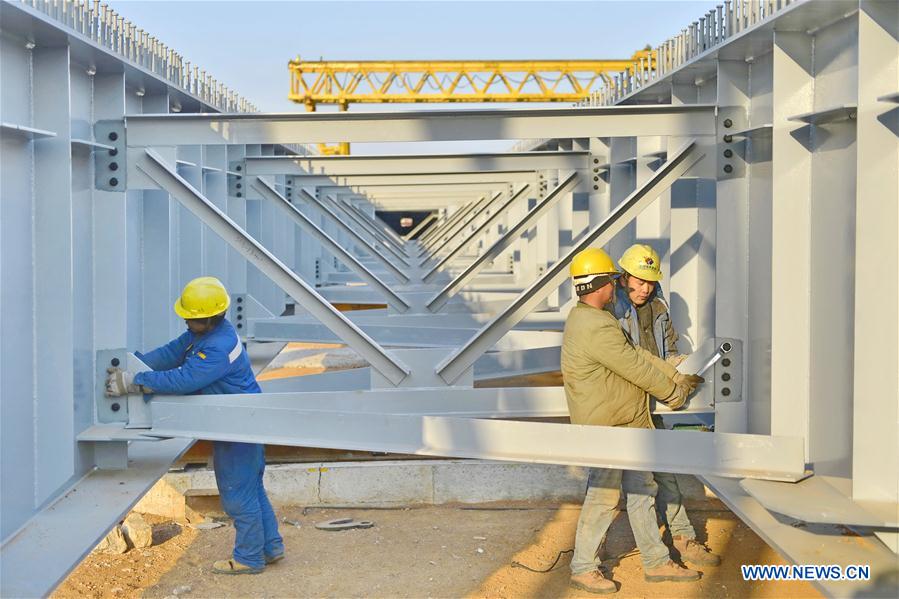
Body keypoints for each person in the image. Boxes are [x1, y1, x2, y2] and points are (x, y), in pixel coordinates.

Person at [105, 276, 283, 575]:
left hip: (237, 427)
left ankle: (249, 559)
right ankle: (271, 547)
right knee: (252, 489)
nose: (187, 321)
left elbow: (184, 380)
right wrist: (135, 364)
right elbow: (171, 353)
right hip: (240, 421)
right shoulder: (206, 333)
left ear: (210, 318)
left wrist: (136, 381)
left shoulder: (217, 347)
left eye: (192, 318)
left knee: (238, 495)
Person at [561, 247, 704, 594]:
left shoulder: (599, 318)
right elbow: (634, 366)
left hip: (629, 420)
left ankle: (656, 562)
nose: (617, 287)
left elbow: (638, 354)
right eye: (611, 281)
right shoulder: (593, 325)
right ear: (598, 285)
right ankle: (583, 566)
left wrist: (672, 372)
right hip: (610, 425)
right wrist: (674, 393)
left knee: (643, 489)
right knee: (605, 496)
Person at [612, 244, 720, 568]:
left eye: (649, 281)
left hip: (654, 401)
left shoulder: (659, 308)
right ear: (623, 277)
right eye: (638, 280)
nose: (644, 288)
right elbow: (627, 361)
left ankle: (683, 537)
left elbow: (668, 350)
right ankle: (650, 559)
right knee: (635, 485)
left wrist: (683, 365)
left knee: (666, 472)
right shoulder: (612, 313)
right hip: (627, 404)